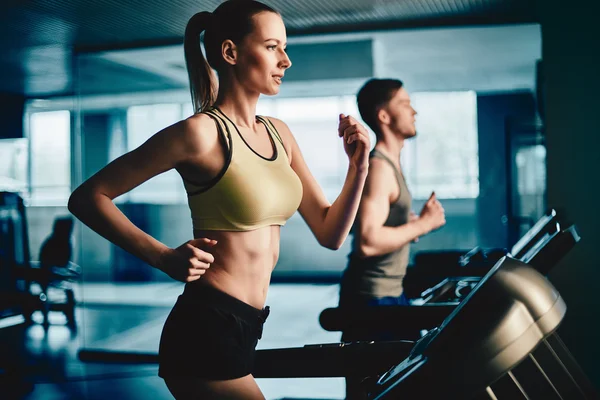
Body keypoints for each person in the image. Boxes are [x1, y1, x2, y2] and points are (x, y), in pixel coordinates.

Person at [67, 1, 370, 398]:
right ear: (230, 53)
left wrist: (359, 167)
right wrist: (163, 257)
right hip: (205, 327)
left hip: (248, 325)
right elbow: (89, 197)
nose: (286, 60)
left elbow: (330, 232)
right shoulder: (200, 134)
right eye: (272, 46)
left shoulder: (280, 133)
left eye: (284, 47)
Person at [337, 78, 446, 399]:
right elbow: (368, 242)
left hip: (389, 295)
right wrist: (423, 225)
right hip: (372, 300)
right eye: (404, 103)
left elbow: (380, 228)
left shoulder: (390, 164)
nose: (414, 111)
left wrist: (408, 225)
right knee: (375, 392)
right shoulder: (380, 167)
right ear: (383, 116)